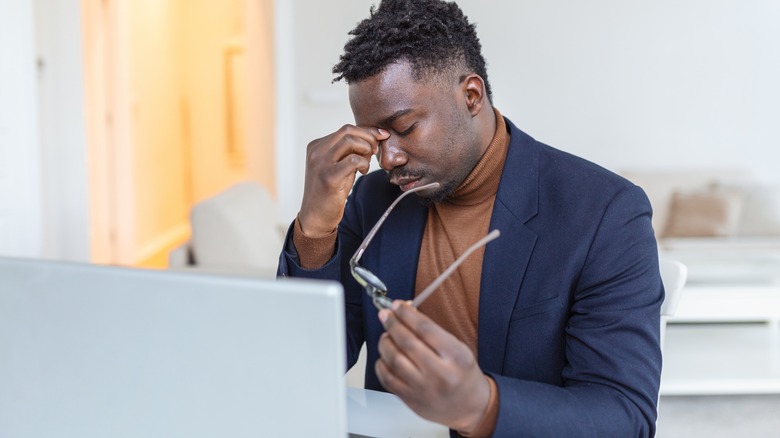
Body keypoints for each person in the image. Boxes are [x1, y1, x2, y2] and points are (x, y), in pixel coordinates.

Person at [277, 0, 663, 436]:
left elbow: (624, 417)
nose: (388, 158)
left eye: (404, 128)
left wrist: (481, 406)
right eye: (376, 138)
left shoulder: (605, 214)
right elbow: (304, 366)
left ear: (471, 96)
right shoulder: (373, 200)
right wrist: (314, 229)